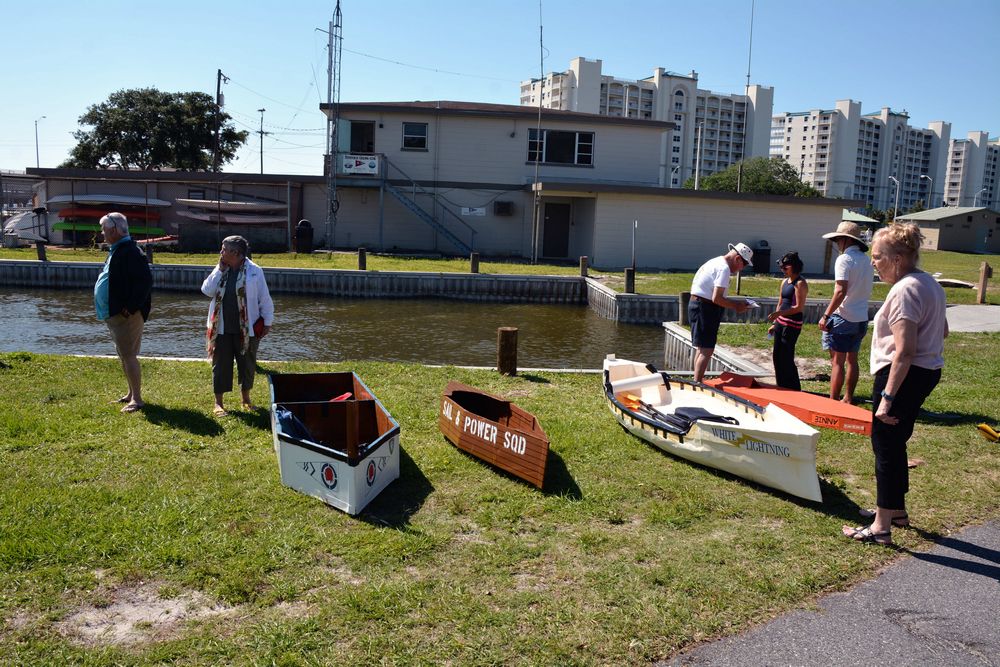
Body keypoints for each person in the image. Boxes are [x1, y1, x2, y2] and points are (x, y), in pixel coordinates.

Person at [843, 223, 947, 545]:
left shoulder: (904, 290)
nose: (874, 263)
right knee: (895, 441)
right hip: (925, 372)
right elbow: (943, 330)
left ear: (898, 258)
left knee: (885, 445)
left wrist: (887, 397)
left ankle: (881, 527)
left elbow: (905, 351)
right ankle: (894, 511)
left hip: (902, 373)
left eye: (878, 257)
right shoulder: (929, 283)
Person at [201, 235, 274, 416]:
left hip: (247, 328)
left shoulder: (255, 271)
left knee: (247, 364)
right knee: (220, 365)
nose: (221, 252)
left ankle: (246, 399)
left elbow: (264, 298)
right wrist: (219, 270)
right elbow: (207, 290)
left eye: (224, 249)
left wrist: (267, 322)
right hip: (222, 328)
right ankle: (218, 403)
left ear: (235, 253)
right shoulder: (221, 268)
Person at [93, 212, 153, 413]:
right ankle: (130, 393)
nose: (102, 233)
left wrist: (130, 308)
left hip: (126, 315)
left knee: (129, 355)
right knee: (124, 354)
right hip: (116, 312)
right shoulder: (119, 249)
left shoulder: (131, 251)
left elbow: (145, 282)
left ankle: (137, 399)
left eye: (104, 230)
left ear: (114, 230)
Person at [819, 221, 874, 403]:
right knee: (852, 360)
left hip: (844, 316)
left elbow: (840, 291)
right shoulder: (866, 260)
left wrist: (826, 315)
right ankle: (848, 397)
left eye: (837, 240)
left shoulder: (844, 260)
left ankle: (833, 400)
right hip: (861, 317)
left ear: (845, 240)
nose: (836, 244)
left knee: (837, 362)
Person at [689, 242, 753, 383]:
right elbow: (717, 298)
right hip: (705, 308)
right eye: (744, 264)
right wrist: (737, 306)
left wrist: (736, 303)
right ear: (737, 259)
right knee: (707, 350)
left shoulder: (715, 261)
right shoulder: (724, 269)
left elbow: (714, 295)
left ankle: (696, 381)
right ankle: (697, 383)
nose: (742, 268)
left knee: (702, 348)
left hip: (698, 304)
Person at [767, 251, 808, 390]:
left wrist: (779, 313)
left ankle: (793, 388)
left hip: (792, 324)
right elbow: (780, 302)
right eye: (781, 267)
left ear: (794, 266)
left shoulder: (800, 283)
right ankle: (781, 386)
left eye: (785, 267)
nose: (782, 270)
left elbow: (799, 307)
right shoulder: (784, 282)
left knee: (786, 356)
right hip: (780, 322)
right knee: (777, 356)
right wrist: (775, 322)